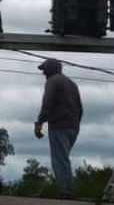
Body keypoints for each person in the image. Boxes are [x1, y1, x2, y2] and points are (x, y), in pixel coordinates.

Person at [34, 58, 82, 198]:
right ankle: (67, 189)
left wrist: (39, 122)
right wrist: (75, 123)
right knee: (63, 158)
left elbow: (47, 103)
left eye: (44, 69)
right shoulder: (71, 83)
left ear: (51, 69)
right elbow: (80, 108)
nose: (43, 73)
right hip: (73, 126)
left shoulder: (52, 81)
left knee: (60, 160)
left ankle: (67, 192)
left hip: (59, 125)